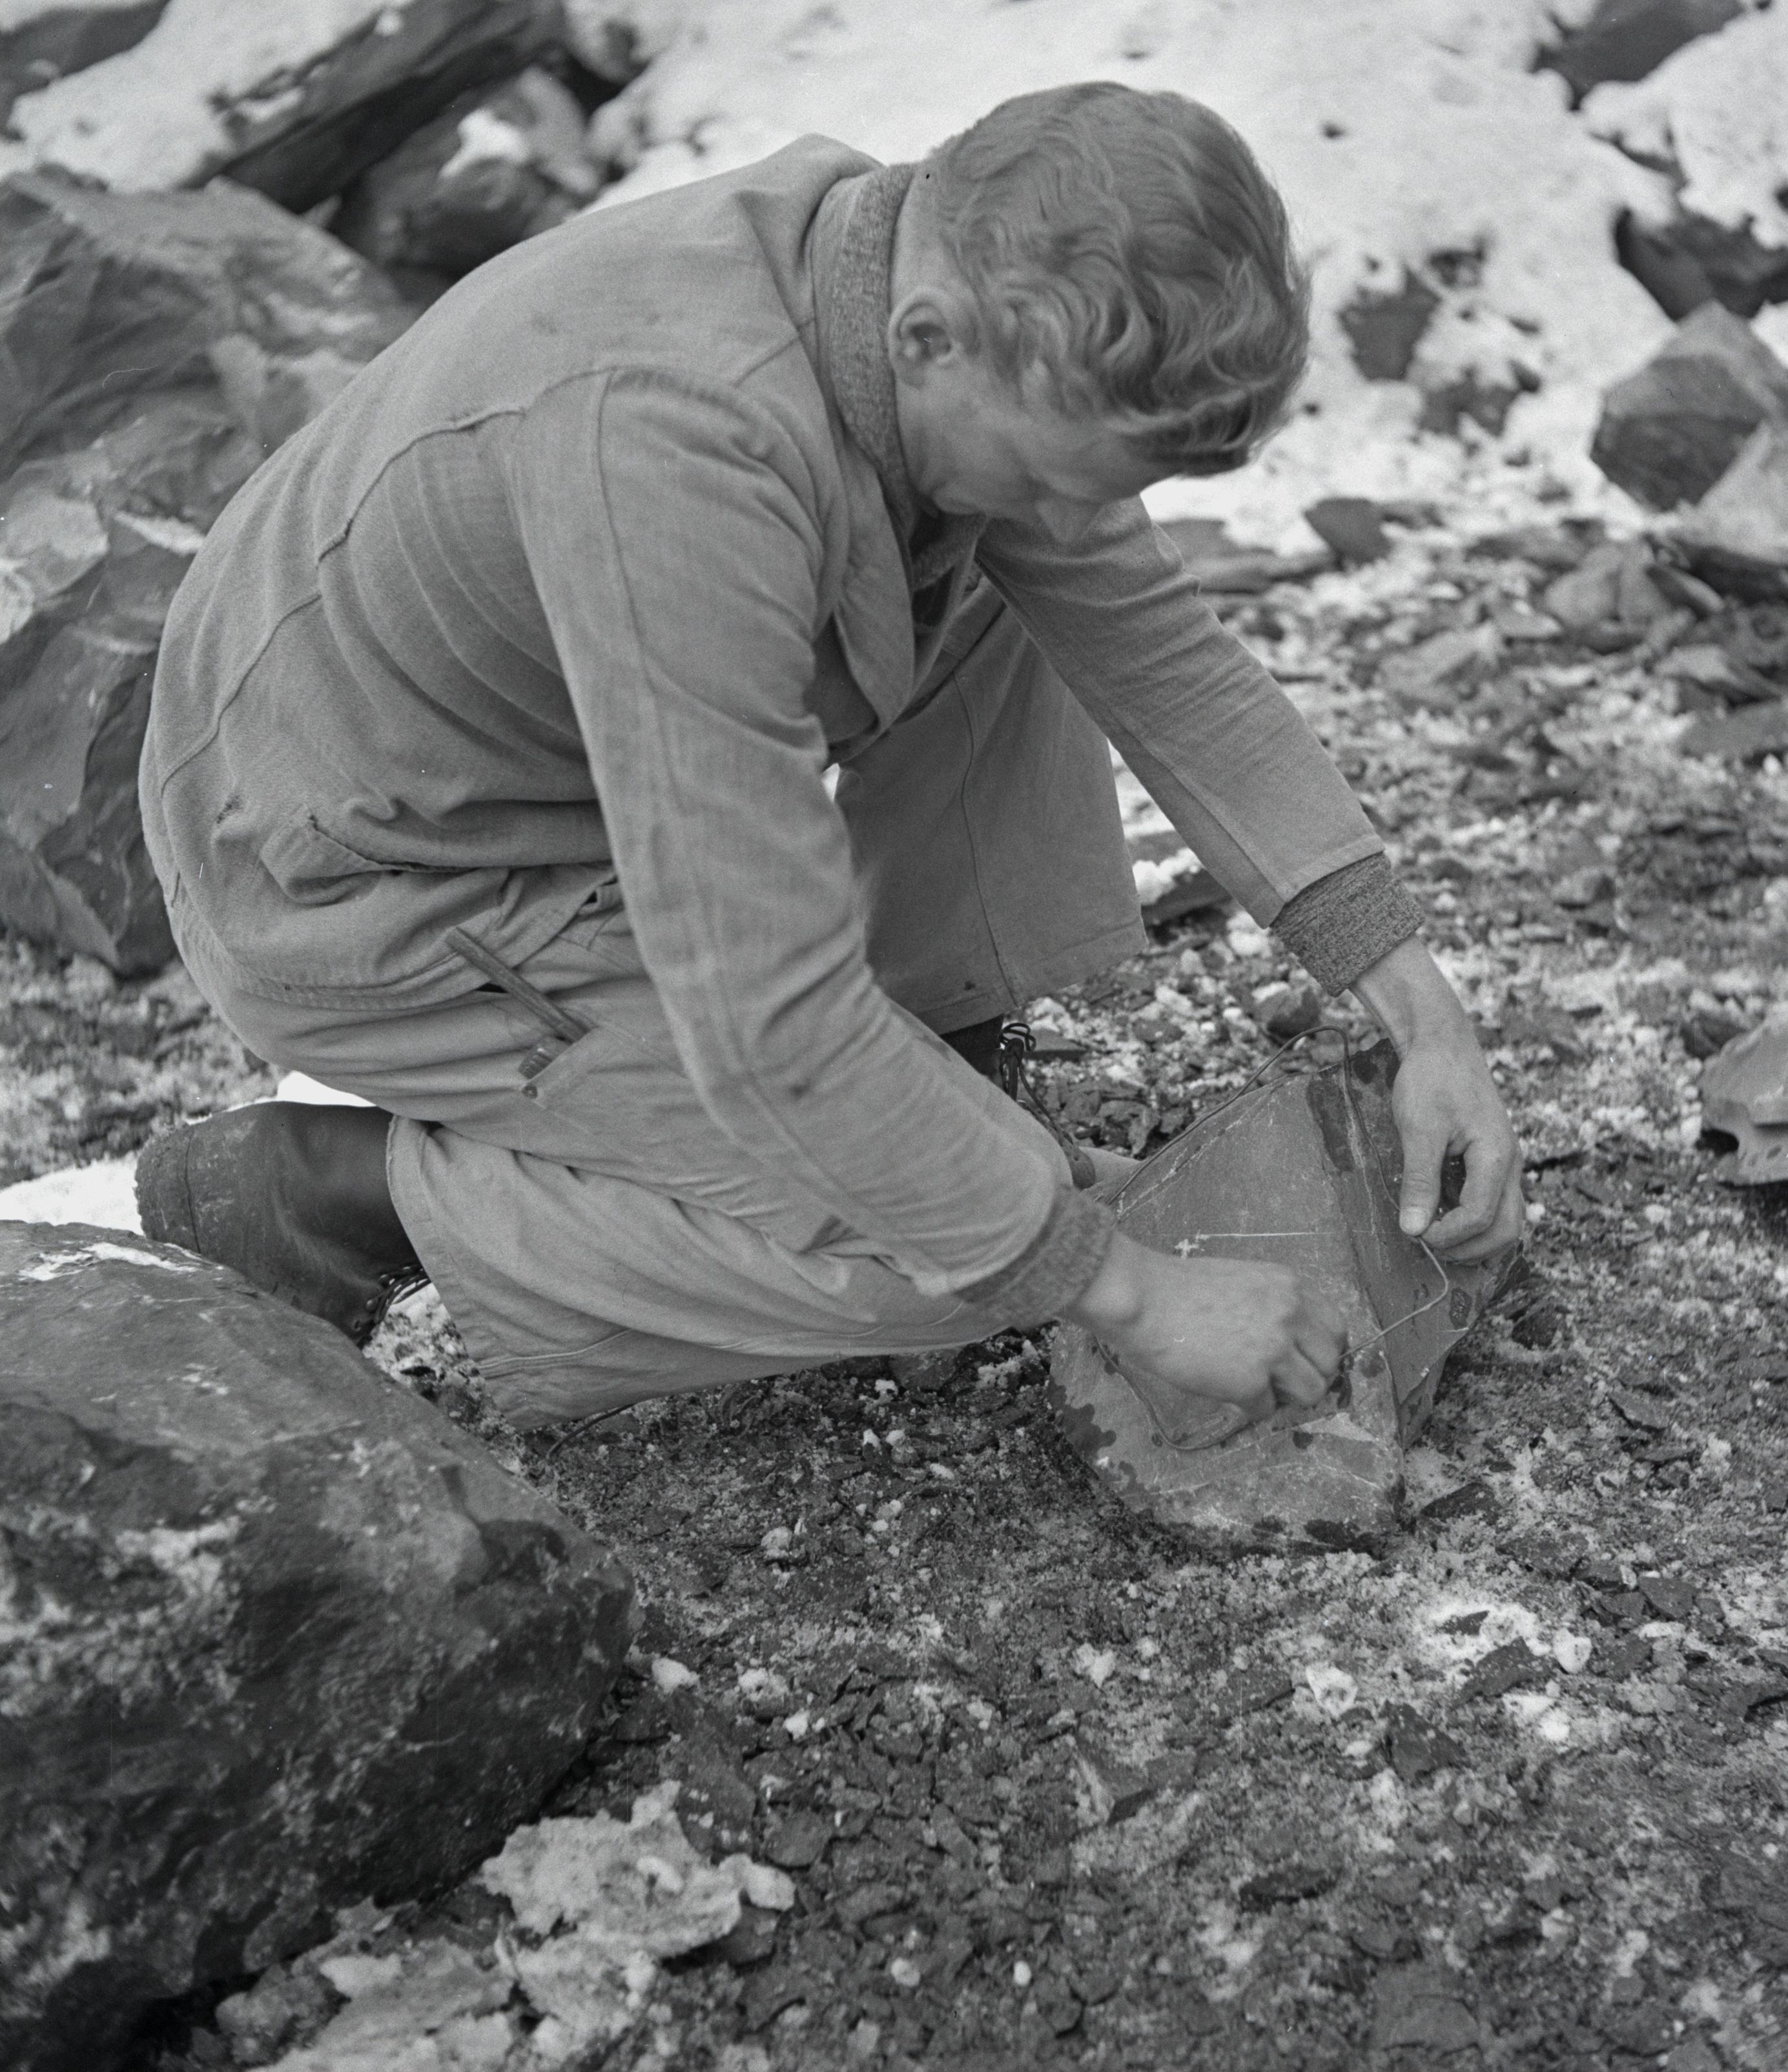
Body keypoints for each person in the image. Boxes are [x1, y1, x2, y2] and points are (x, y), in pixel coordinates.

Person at [134, 81, 1523, 1439]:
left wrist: (1424, 1017)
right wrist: (1122, 1287)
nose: (1071, 518)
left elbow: (1159, 652)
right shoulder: (678, 450)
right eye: (1050, 474)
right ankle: (345, 1195)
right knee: (953, 1259)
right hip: (362, 874)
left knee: (1008, 585)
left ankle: (937, 1073)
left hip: (547, 763)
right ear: (927, 337)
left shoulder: (930, 280)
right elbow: (765, 1003)